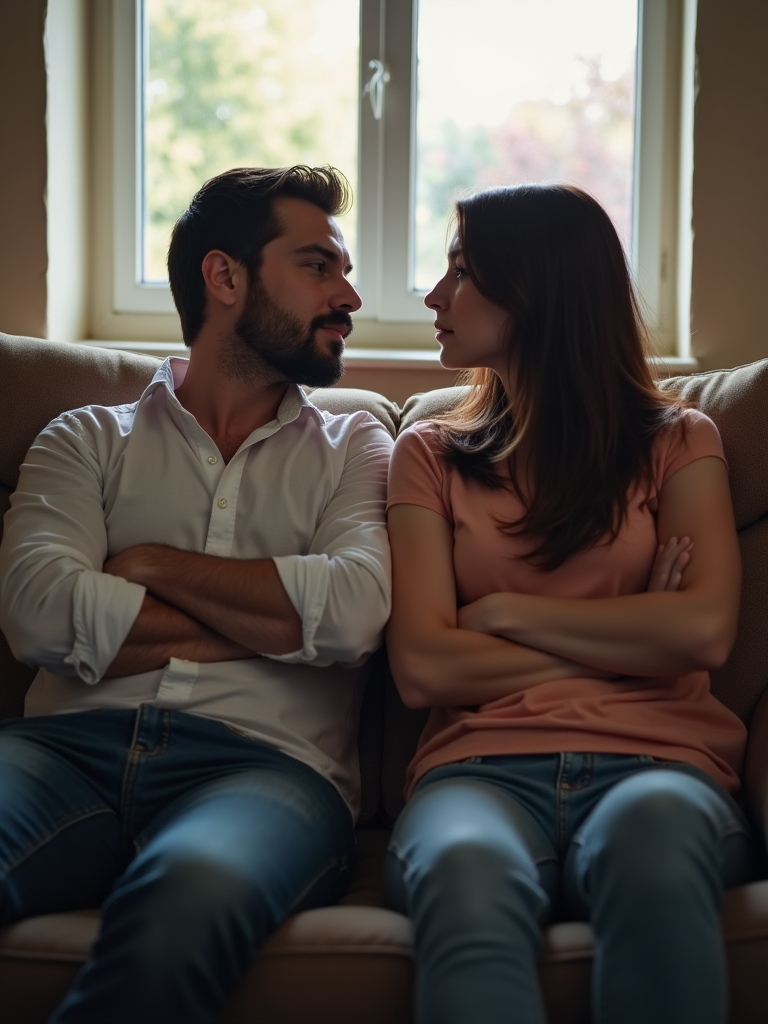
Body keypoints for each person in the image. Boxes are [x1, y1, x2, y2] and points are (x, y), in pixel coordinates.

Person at [0, 165, 392, 1024]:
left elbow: (356, 613)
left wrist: (150, 564)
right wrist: (278, 623)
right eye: (319, 266)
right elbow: (36, 614)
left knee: (184, 903)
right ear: (225, 278)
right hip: (61, 753)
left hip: (266, 774)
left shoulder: (356, 448)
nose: (350, 295)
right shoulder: (84, 440)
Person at [384, 183, 755, 1024]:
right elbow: (422, 667)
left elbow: (702, 629)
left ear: (538, 290)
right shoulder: (428, 457)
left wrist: (503, 614)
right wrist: (634, 636)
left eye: (462, 272)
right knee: (464, 878)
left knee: (655, 859)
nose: (436, 295)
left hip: (660, 766)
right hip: (475, 773)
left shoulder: (680, 441)